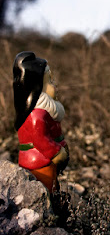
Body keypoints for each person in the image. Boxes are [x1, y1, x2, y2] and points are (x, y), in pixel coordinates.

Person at [13, 51, 69, 193]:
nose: (54, 84)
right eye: (49, 81)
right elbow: (41, 139)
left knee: (52, 185)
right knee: (45, 188)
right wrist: (57, 152)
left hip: (46, 161)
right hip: (39, 162)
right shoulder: (36, 114)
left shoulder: (47, 111)